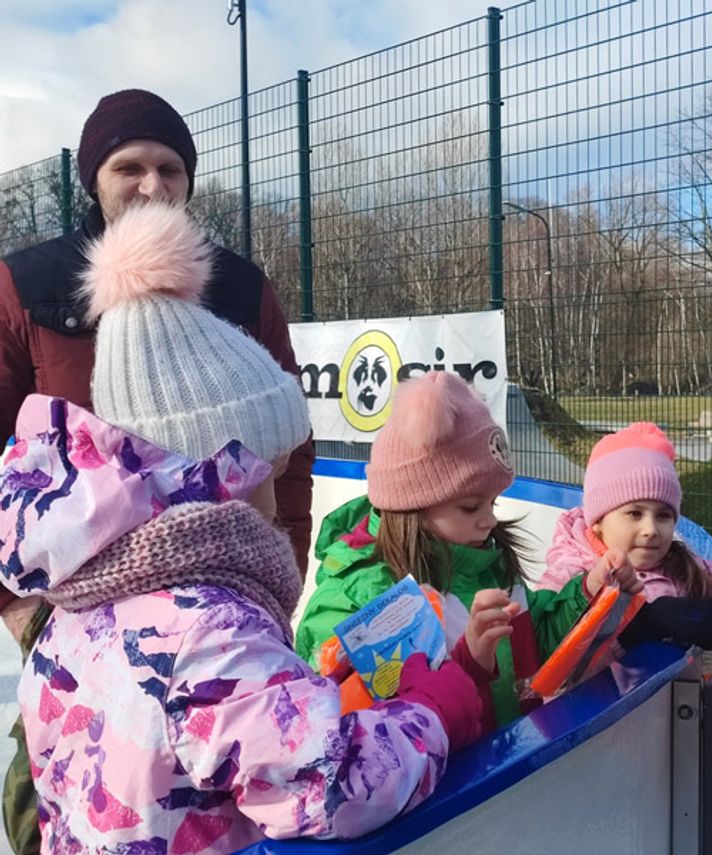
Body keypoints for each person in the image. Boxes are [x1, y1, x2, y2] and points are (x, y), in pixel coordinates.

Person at [0, 203, 482, 852]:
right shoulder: (212, 634)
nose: (277, 505)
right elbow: (332, 784)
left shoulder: (70, 613)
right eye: (267, 473)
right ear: (208, 479)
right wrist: (436, 708)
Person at [0, 88, 316, 854]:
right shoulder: (27, 285)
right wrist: (16, 604)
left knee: (219, 785)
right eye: (129, 167)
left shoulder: (240, 289)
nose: (151, 186)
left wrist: (285, 562)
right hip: (75, 600)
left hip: (219, 583)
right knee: (64, 781)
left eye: (170, 169)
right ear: (93, 180)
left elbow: (291, 445)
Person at [295, 371, 642, 733]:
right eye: (470, 507)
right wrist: (469, 664)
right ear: (413, 505)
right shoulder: (359, 597)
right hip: (452, 787)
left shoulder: (488, 566)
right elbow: (360, 730)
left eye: (492, 503)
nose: (489, 520)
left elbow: (535, 644)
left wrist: (590, 592)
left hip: (506, 766)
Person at [537, 422, 712, 682]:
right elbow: (546, 663)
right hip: (590, 718)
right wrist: (636, 628)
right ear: (597, 521)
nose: (651, 529)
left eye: (663, 515)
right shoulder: (572, 574)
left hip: (665, 712)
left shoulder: (679, 566)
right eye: (634, 513)